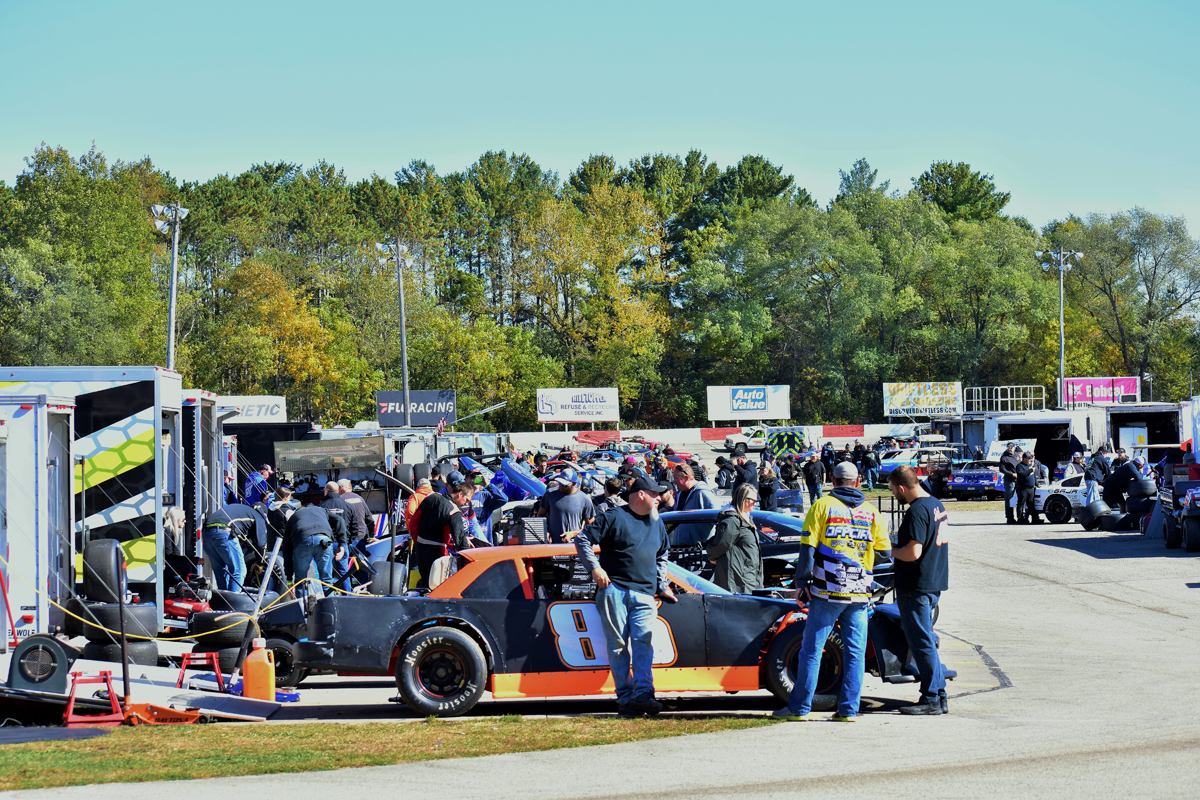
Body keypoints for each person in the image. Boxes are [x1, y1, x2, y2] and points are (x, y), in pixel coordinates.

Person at [773, 462, 890, 722]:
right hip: (859, 593)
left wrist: (802, 581)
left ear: (832, 481)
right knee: (855, 652)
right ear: (858, 481)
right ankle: (849, 710)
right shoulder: (872, 512)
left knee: (812, 650)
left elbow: (807, 546)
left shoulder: (822, 506)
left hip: (826, 592)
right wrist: (861, 563)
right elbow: (884, 553)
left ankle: (799, 708)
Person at [574, 474, 677, 717]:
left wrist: (661, 584)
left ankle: (644, 693)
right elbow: (582, 540)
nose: (658, 497)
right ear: (641, 495)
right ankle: (626, 697)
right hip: (615, 591)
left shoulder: (657, 522)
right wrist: (595, 568)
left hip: (645, 593)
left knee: (643, 642)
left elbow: (663, 554)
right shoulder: (614, 516)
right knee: (618, 644)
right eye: (654, 493)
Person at [887, 465, 949, 715]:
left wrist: (888, 550)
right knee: (926, 640)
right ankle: (939, 692)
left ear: (902, 487)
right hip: (933, 582)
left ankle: (931, 697)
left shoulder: (916, 511)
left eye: (893, 490)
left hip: (916, 586)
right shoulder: (936, 504)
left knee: (921, 641)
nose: (893, 495)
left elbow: (913, 552)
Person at [415, 481, 474, 587]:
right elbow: (460, 541)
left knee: (424, 586)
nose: (466, 504)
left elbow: (414, 522)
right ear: (460, 494)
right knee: (437, 589)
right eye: (466, 500)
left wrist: (417, 542)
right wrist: (472, 561)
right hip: (437, 554)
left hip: (420, 549)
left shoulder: (431, 497)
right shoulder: (454, 511)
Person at [284, 500, 347, 598]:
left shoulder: (293, 517)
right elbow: (340, 520)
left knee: (301, 582)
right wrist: (342, 544)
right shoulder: (321, 510)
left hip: (302, 540)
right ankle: (330, 609)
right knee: (327, 580)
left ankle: (302, 610)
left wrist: (289, 580)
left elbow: (286, 549)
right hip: (323, 540)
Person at [707, 484, 763, 593]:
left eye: (756, 501)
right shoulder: (732, 520)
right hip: (738, 581)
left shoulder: (746, 518)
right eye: (752, 500)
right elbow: (721, 544)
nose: (754, 504)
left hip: (749, 577)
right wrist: (712, 556)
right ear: (743, 499)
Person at [202, 503, 266, 592]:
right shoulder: (259, 516)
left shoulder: (244, 511)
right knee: (239, 571)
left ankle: (222, 602)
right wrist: (260, 564)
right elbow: (261, 544)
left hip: (206, 533)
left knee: (221, 572)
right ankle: (233, 604)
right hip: (224, 531)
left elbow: (246, 539)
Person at [537, 468, 596, 543]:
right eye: (560, 482)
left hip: (574, 547)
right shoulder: (550, 494)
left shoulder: (584, 499)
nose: (561, 486)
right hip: (552, 547)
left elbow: (591, 527)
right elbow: (540, 516)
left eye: (565, 484)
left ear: (574, 483)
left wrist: (572, 534)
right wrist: (546, 531)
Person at [668, 463, 720, 545]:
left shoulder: (703, 493)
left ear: (686, 478)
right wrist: (668, 510)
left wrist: (713, 546)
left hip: (698, 551)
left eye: (676, 478)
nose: (674, 482)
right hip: (680, 548)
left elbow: (719, 518)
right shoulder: (680, 493)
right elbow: (682, 511)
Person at [322, 482, 358, 591]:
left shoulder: (322, 506)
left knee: (325, 571)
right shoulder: (348, 506)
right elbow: (355, 527)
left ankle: (326, 595)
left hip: (326, 543)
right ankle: (347, 595)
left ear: (327, 491)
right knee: (344, 571)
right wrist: (347, 541)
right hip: (343, 544)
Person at [266, 486, 301, 586]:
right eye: (289, 497)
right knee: (287, 572)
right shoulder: (287, 510)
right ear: (285, 498)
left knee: (274, 572)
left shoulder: (270, 509)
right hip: (284, 545)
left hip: (272, 544)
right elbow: (294, 527)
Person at [1015, 452, 1042, 524]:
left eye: (1031, 458)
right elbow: (1021, 475)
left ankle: (1035, 519)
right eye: (1029, 458)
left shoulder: (1030, 466)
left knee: (1031, 504)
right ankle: (1020, 519)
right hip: (1023, 488)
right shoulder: (1020, 466)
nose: (1030, 460)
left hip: (1031, 489)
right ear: (1024, 459)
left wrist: (1037, 484)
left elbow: (1033, 476)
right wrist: (1030, 470)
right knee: (1021, 503)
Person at [999, 444, 1020, 524]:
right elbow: (1002, 469)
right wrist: (1012, 474)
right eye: (1008, 448)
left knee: (1019, 499)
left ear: (1014, 448)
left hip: (1018, 480)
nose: (1009, 449)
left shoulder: (1016, 455)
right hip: (1010, 481)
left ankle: (1020, 517)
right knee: (1009, 499)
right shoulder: (1004, 457)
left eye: (1011, 448)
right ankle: (1009, 517)